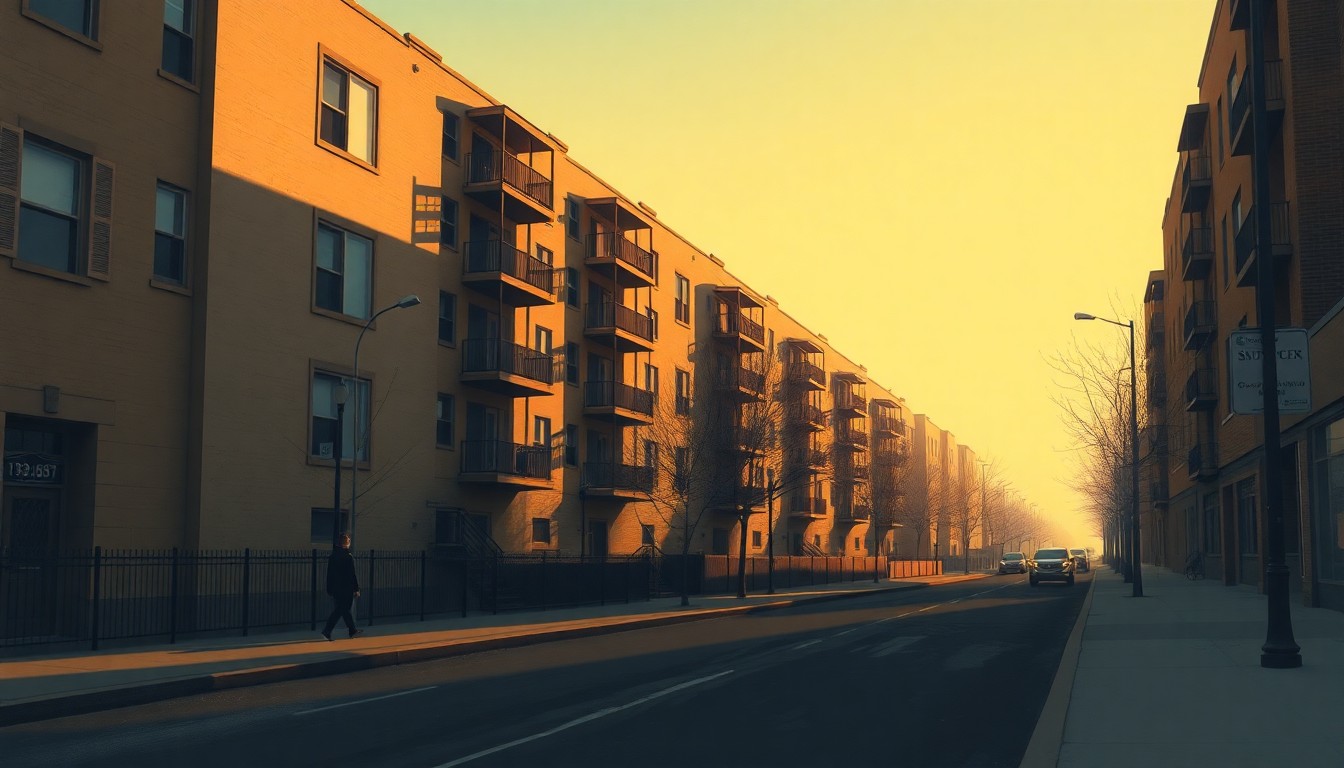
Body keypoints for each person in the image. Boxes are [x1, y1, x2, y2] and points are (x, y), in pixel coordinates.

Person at [322, 533, 363, 640]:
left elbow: (329, 574)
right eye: (349, 542)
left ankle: (352, 630)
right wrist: (356, 588)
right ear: (346, 543)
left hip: (336, 589)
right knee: (342, 610)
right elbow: (352, 575)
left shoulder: (333, 557)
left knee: (343, 610)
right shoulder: (348, 557)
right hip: (346, 589)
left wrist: (329, 588)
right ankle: (327, 630)